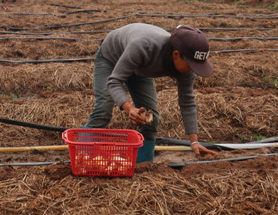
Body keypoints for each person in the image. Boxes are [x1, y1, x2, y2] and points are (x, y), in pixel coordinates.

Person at [83, 23, 217, 163]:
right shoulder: (143, 46)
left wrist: (194, 142)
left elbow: (187, 102)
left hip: (141, 67)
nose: (193, 70)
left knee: (150, 119)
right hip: (112, 58)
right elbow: (114, 81)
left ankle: (143, 165)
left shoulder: (187, 69)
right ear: (176, 55)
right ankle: (82, 153)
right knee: (104, 107)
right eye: (191, 65)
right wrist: (129, 108)